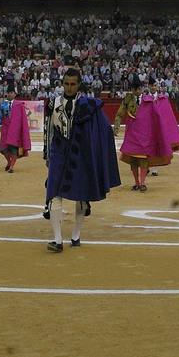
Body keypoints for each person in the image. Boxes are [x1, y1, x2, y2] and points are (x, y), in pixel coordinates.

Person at [44, 67, 120, 253]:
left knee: (81, 195)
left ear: (78, 85)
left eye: (73, 84)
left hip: (80, 152)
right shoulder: (52, 103)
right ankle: (57, 240)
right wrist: (47, 154)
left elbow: (103, 130)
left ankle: (76, 235)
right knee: (53, 194)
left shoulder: (88, 105)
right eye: (66, 84)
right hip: (59, 152)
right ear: (62, 84)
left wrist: (94, 150)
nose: (69, 88)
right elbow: (49, 131)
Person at [119, 77, 173, 191]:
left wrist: (158, 131)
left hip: (144, 135)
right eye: (134, 89)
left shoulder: (148, 100)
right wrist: (116, 128)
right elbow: (120, 113)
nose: (136, 91)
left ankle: (142, 182)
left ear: (141, 89)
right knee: (133, 160)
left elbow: (156, 117)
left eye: (138, 89)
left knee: (143, 159)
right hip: (131, 135)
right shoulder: (128, 99)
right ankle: (137, 182)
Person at [0, 82, 31, 173]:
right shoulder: (3, 105)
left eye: (12, 92)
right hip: (6, 129)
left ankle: (12, 167)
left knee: (14, 148)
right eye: (9, 92)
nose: (10, 94)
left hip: (15, 130)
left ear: (15, 94)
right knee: (3, 149)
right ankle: (9, 162)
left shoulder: (19, 105)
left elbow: (26, 114)